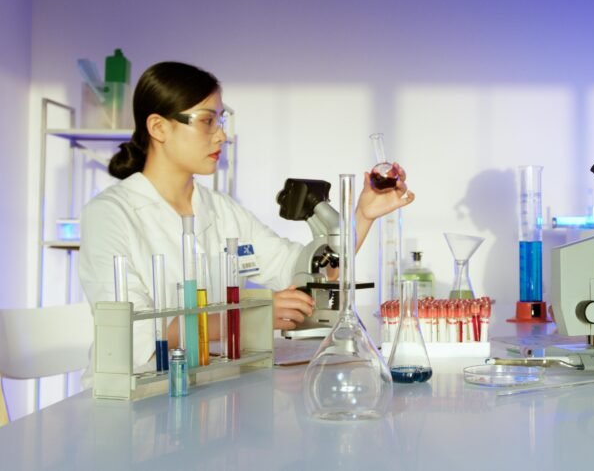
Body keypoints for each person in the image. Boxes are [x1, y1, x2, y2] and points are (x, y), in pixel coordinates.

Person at [79, 61, 415, 370]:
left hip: (210, 385)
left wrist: (363, 215)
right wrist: (250, 316)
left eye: (221, 120)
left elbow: (301, 273)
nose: (221, 135)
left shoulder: (221, 210)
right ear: (159, 127)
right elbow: (131, 331)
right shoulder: (111, 214)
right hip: (138, 395)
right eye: (207, 120)